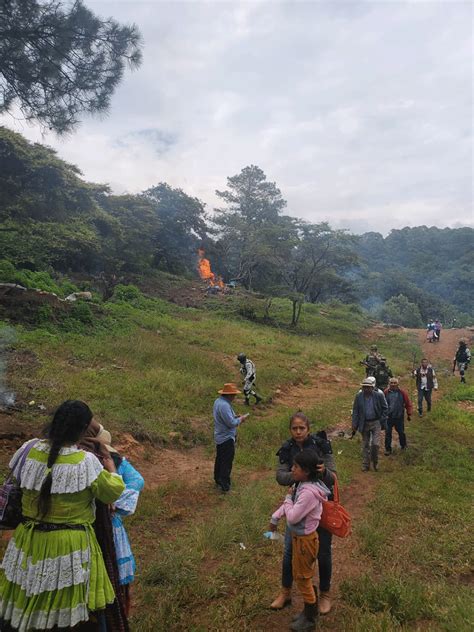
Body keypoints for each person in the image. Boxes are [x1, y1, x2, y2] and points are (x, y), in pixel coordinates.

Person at [0, 400, 125, 632]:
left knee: (29, 595)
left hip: (28, 541)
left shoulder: (29, 450)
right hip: (70, 547)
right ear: (83, 429)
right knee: (66, 610)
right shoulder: (86, 462)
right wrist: (110, 465)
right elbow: (112, 492)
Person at [270, 413, 336, 615]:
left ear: (308, 428)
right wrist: (301, 475)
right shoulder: (287, 448)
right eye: (294, 428)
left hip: (321, 507)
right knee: (290, 551)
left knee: (323, 551)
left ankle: (324, 594)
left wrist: (322, 472)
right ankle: (286, 592)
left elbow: (333, 477)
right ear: (290, 430)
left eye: (302, 428)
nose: (298, 432)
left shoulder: (321, 445)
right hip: (298, 504)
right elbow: (280, 475)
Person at [269, 451, 329, 632]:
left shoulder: (309, 493)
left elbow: (293, 517)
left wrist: (287, 499)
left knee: (302, 577)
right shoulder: (301, 485)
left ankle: (310, 617)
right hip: (299, 539)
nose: (292, 469)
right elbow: (290, 507)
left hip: (305, 541)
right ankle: (308, 610)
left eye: (296, 467)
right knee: (300, 574)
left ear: (307, 472)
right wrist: (274, 518)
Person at [98, 428, 145, 618]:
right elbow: (137, 480)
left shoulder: (114, 463)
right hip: (107, 527)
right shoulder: (114, 462)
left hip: (103, 526)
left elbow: (137, 481)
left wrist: (115, 501)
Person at [213, 383, 248, 492]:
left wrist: (234, 417)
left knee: (220, 459)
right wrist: (241, 419)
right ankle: (225, 486)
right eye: (233, 394)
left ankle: (218, 479)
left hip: (220, 436)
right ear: (229, 395)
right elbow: (231, 423)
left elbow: (226, 418)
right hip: (226, 437)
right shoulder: (224, 405)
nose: (234, 397)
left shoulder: (218, 402)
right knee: (226, 462)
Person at [351, 378, 388, 471]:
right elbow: (355, 411)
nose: (366, 389)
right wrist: (354, 424)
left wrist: (381, 419)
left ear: (372, 388)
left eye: (368, 387)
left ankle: (375, 463)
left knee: (375, 444)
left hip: (376, 422)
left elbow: (385, 408)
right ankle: (365, 464)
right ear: (362, 388)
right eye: (365, 387)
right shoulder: (358, 396)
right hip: (364, 423)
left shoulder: (379, 395)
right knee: (365, 444)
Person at [383, 378, 413, 455]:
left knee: (401, 432)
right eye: (391, 383)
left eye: (395, 383)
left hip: (399, 416)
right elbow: (382, 404)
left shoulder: (402, 393)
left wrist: (409, 413)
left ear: (398, 384)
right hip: (388, 417)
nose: (393, 384)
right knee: (388, 433)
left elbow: (408, 403)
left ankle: (403, 446)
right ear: (389, 384)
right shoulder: (386, 392)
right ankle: (388, 449)